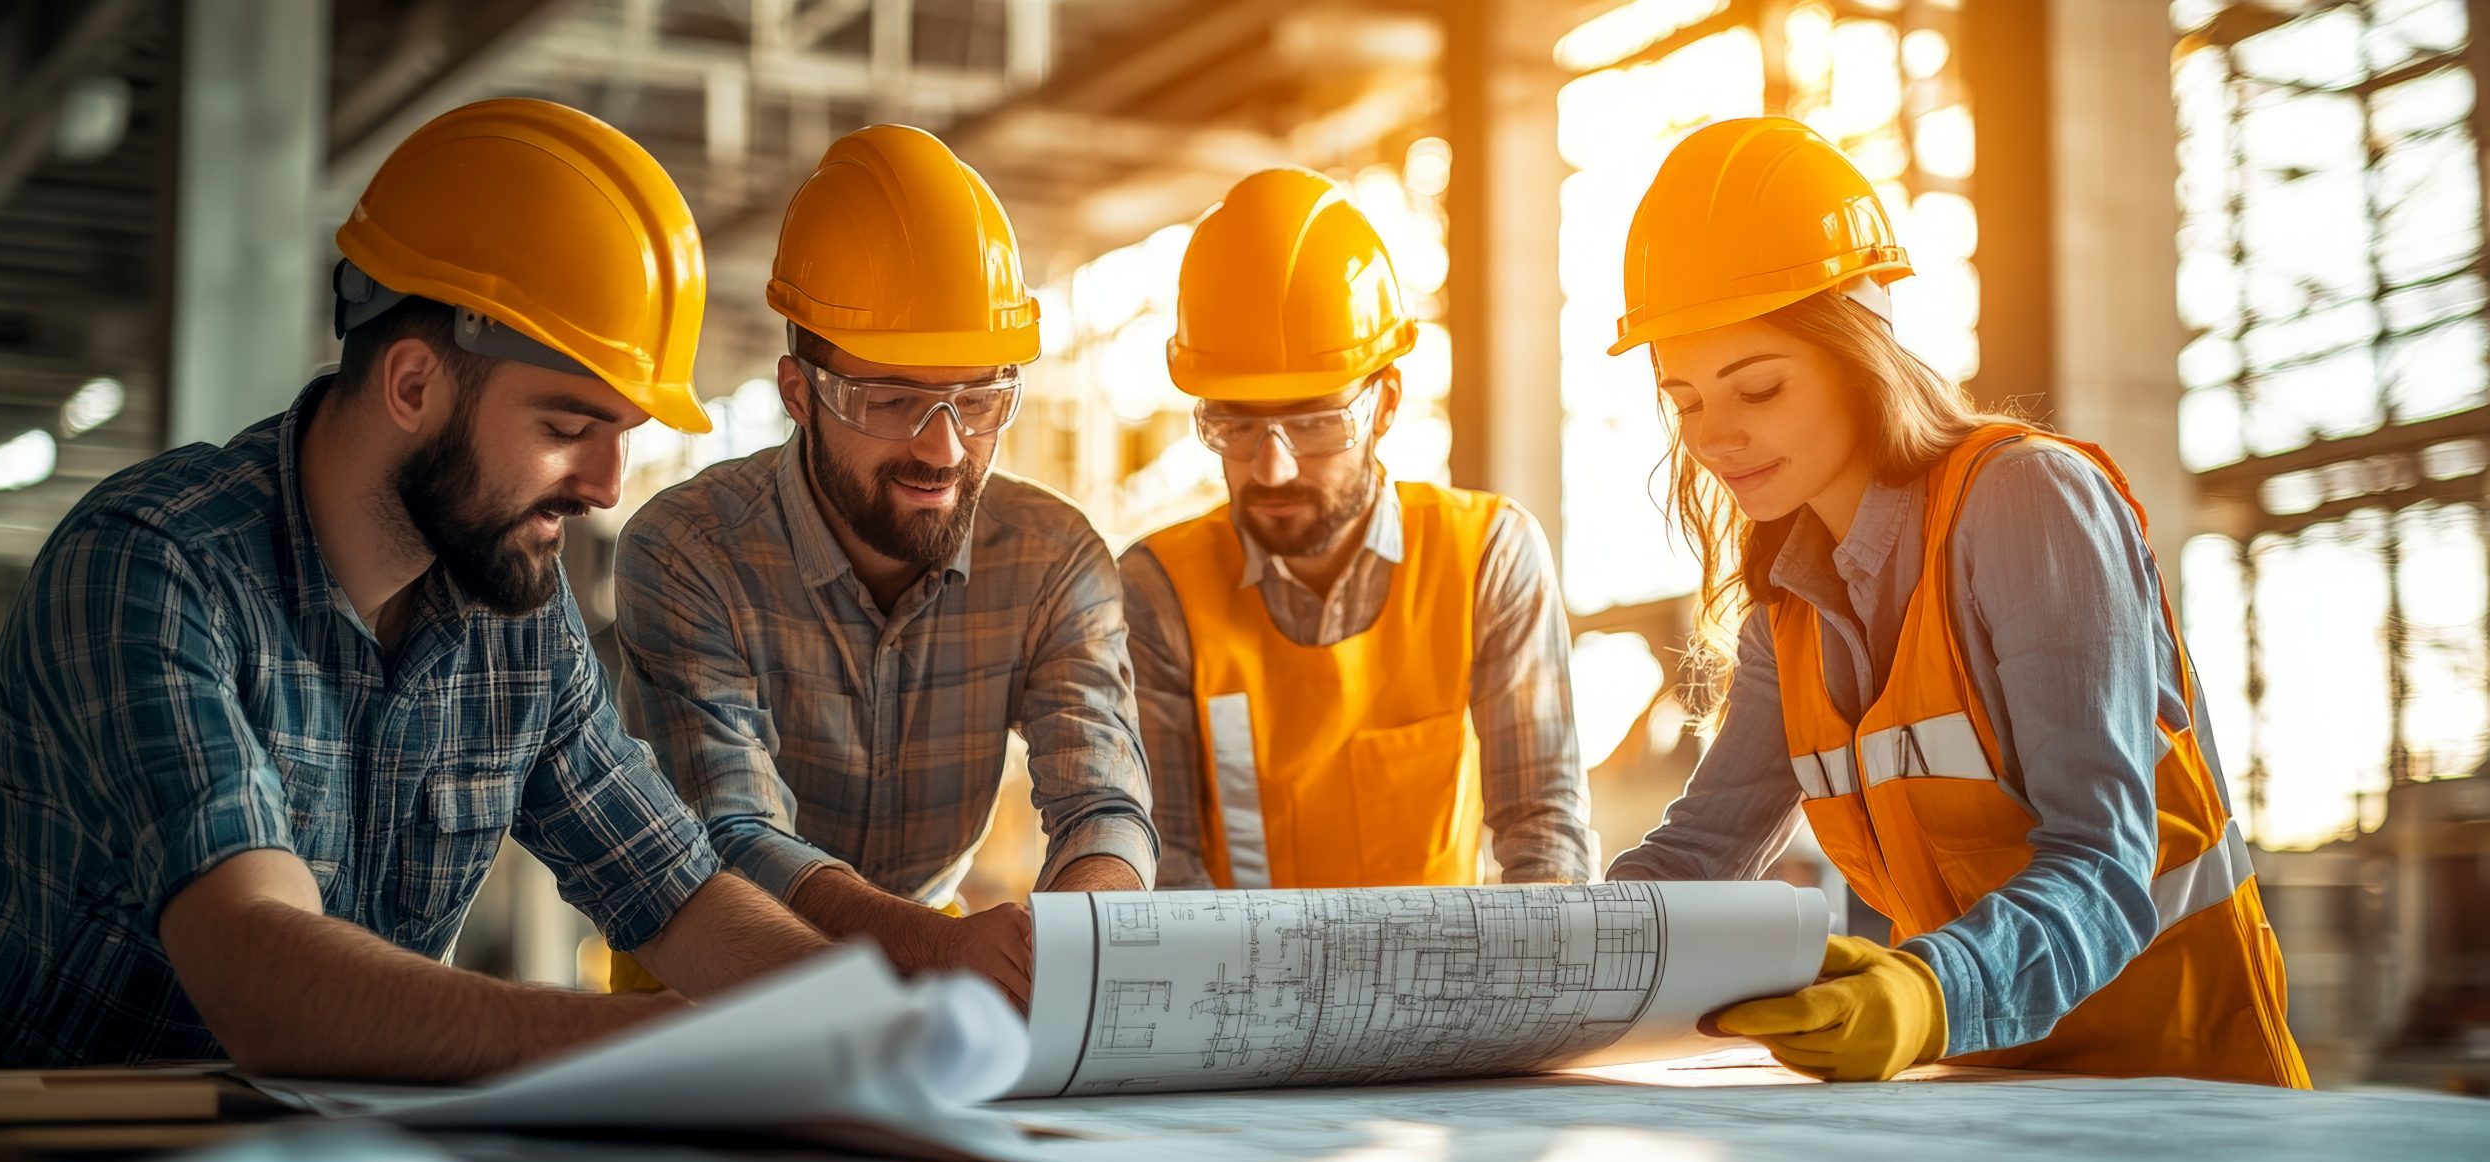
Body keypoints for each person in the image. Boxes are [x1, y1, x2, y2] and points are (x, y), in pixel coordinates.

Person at [0, 99, 842, 1077]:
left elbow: (676, 893)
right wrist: (674, 1048)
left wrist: (863, 1017)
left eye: (627, 435)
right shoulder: (151, 572)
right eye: (568, 428)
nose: (606, 486)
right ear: (413, 385)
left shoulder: (513, 617)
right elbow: (264, 974)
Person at [1602, 117, 2308, 1087]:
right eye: (1683, 401)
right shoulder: (1789, 607)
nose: (1714, 437)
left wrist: (1924, 991)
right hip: (1983, 1096)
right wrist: (1549, 957)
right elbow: (1700, 850)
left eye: (1756, 387)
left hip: (2185, 1090)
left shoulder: (2025, 506)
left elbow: (2102, 862)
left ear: (1860, 352)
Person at [613, 126, 1155, 1007]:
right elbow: (735, 834)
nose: (942, 449)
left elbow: (1105, 801)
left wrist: (1079, 940)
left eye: (979, 399)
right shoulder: (686, 552)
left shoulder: (1054, 558)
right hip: (707, 974)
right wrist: (935, 949)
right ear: (798, 393)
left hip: (939, 962)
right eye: (892, 400)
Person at [1120, 168, 1595, 890]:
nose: (1271, 468)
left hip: (1452, 993)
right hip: (1243, 991)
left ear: (1385, 404)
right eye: (1235, 425)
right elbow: (1167, 866)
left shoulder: (1486, 558)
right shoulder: (1159, 591)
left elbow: (1544, 837)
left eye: (1313, 422)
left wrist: (1526, 993)